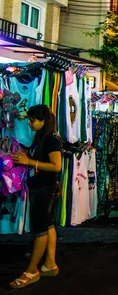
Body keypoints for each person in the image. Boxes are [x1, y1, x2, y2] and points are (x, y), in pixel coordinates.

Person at [10, 105, 62, 289]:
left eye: (33, 120)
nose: (30, 124)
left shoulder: (52, 139)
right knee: (47, 225)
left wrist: (29, 161)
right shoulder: (42, 137)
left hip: (45, 189)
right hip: (43, 187)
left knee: (40, 229)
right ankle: (50, 264)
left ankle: (32, 270)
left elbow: (56, 166)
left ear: (43, 121)